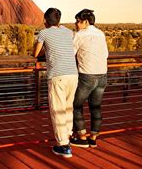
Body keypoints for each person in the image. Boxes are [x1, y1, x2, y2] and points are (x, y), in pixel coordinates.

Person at [34, 8, 78, 158]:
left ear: (46, 20)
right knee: (68, 108)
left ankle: (63, 146)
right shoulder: (68, 32)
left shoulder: (43, 33)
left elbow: (35, 53)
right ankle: (68, 136)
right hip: (73, 74)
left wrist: (45, 50)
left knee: (57, 110)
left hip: (57, 76)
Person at [70, 9, 108, 148]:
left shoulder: (80, 35)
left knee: (75, 106)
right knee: (95, 107)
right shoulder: (100, 33)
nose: (75, 24)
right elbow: (106, 54)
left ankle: (82, 138)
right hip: (102, 75)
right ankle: (93, 138)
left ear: (85, 22)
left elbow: (71, 52)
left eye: (78, 21)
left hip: (87, 76)